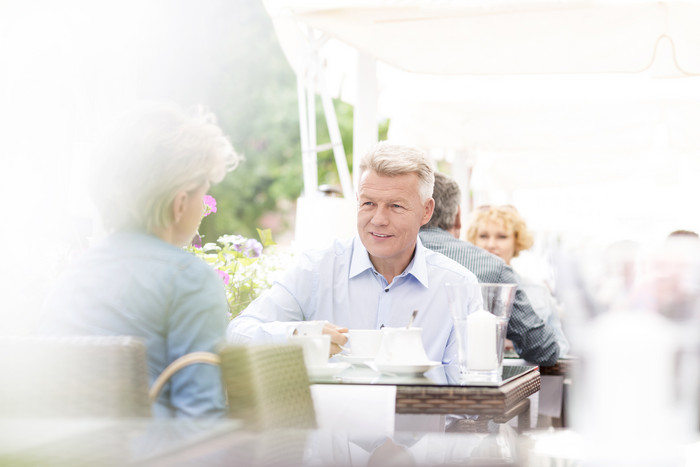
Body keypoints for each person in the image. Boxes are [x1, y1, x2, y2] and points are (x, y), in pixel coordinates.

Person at [39, 103, 241, 418]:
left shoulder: (73, 276)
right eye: (204, 194)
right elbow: (200, 424)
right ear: (180, 203)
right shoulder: (189, 280)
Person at [227, 142, 482, 364]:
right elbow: (238, 333)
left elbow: (467, 393)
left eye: (395, 206)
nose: (379, 220)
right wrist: (298, 335)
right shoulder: (316, 269)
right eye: (369, 203)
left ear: (426, 211)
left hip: (420, 420)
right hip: (332, 419)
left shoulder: (457, 286)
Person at [466, 203, 569, 358]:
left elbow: (561, 347)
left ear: (517, 241)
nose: (491, 244)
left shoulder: (538, 292)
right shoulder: (464, 288)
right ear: (473, 240)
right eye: (483, 236)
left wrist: (519, 342)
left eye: (502, 236)